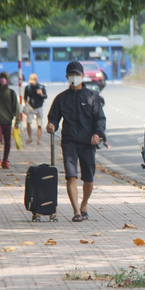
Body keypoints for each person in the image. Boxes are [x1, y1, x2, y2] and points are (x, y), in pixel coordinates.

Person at [46, 61, 106, 223]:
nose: (74, 77)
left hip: (88, 143)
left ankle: (84, 204)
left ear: (83, 76)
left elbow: (100, 119)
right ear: (66, 77)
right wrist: (51, 125)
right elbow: (53, 118)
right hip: (69, 142)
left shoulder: (92, 97)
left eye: (77, 74)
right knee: (71, 176)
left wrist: (98, 134)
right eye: (71, 75)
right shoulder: (61, 99)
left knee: (89, 178)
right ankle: (76, 211)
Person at [0, 72, 20, 169]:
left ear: (8, 80)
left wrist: (17, 121)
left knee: (7, 142)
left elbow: (16, 108)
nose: (2, 80)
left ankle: (5, 160)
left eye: (4, 78)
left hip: (7, 121)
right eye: (1, 78)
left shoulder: (11, 93)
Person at [24, 73, 48, 145]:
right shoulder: (28, 88)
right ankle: (30, 138)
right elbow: (25, 97)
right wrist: (27, 104)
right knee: (28, 122)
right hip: (31, 107)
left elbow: (45, 96)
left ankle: (39, 140)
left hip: (39, 107)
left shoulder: (41, 87)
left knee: (39, 124)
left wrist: (41, 94)